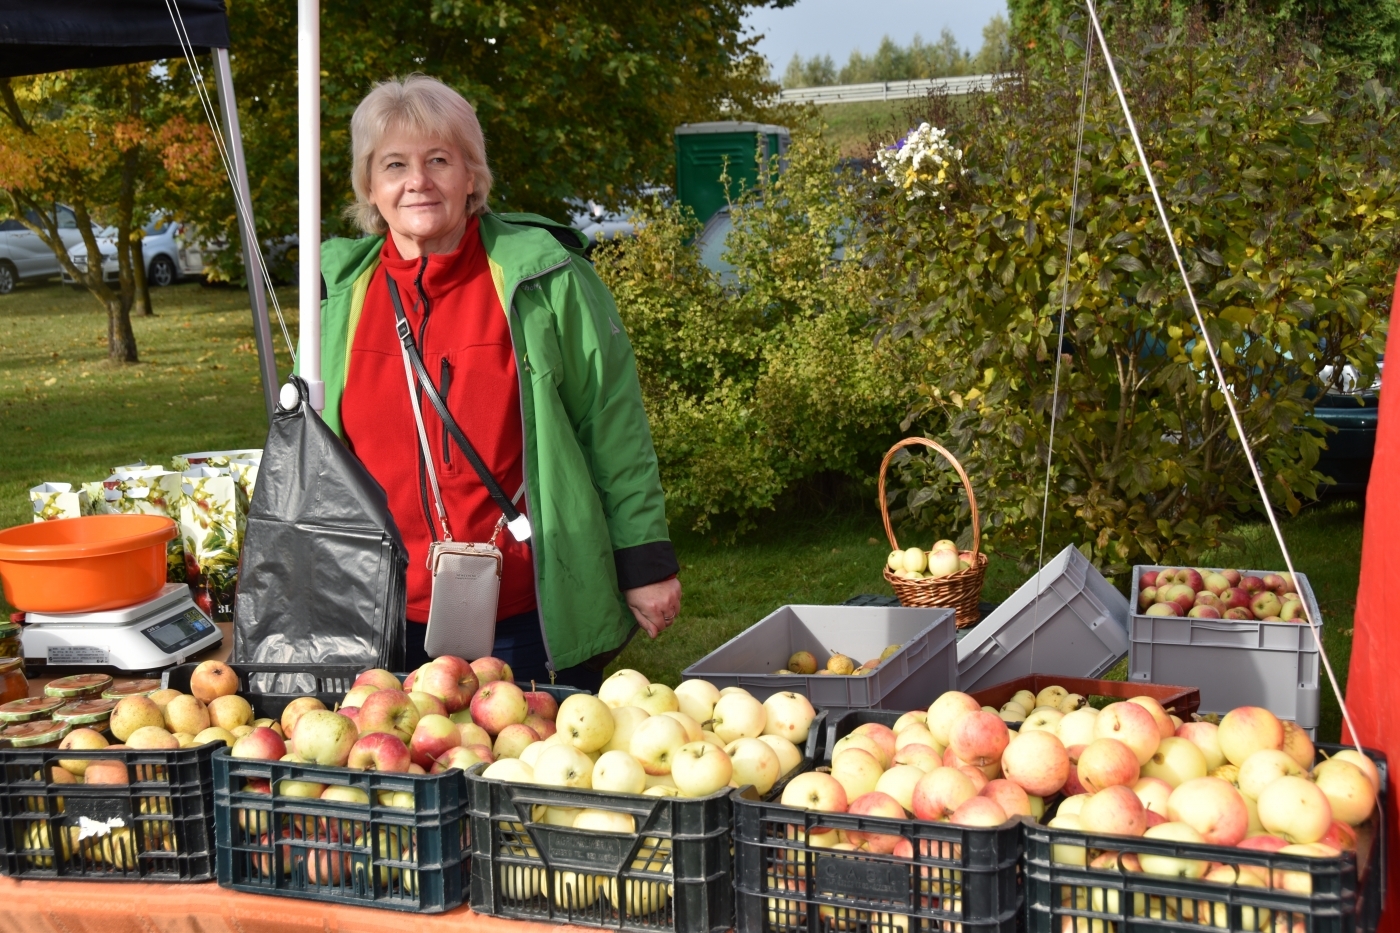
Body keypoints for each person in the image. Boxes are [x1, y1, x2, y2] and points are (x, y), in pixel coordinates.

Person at [314, 75, 680, 690]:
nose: (418, 182)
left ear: (472, 177)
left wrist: (645, 563)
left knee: (533, 778)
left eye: (439, 161)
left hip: (527, 606)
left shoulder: (545, 279)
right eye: (394, 164)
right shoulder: (334, 299)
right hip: (381, 618)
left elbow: (613, 427)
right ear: (370, 186)